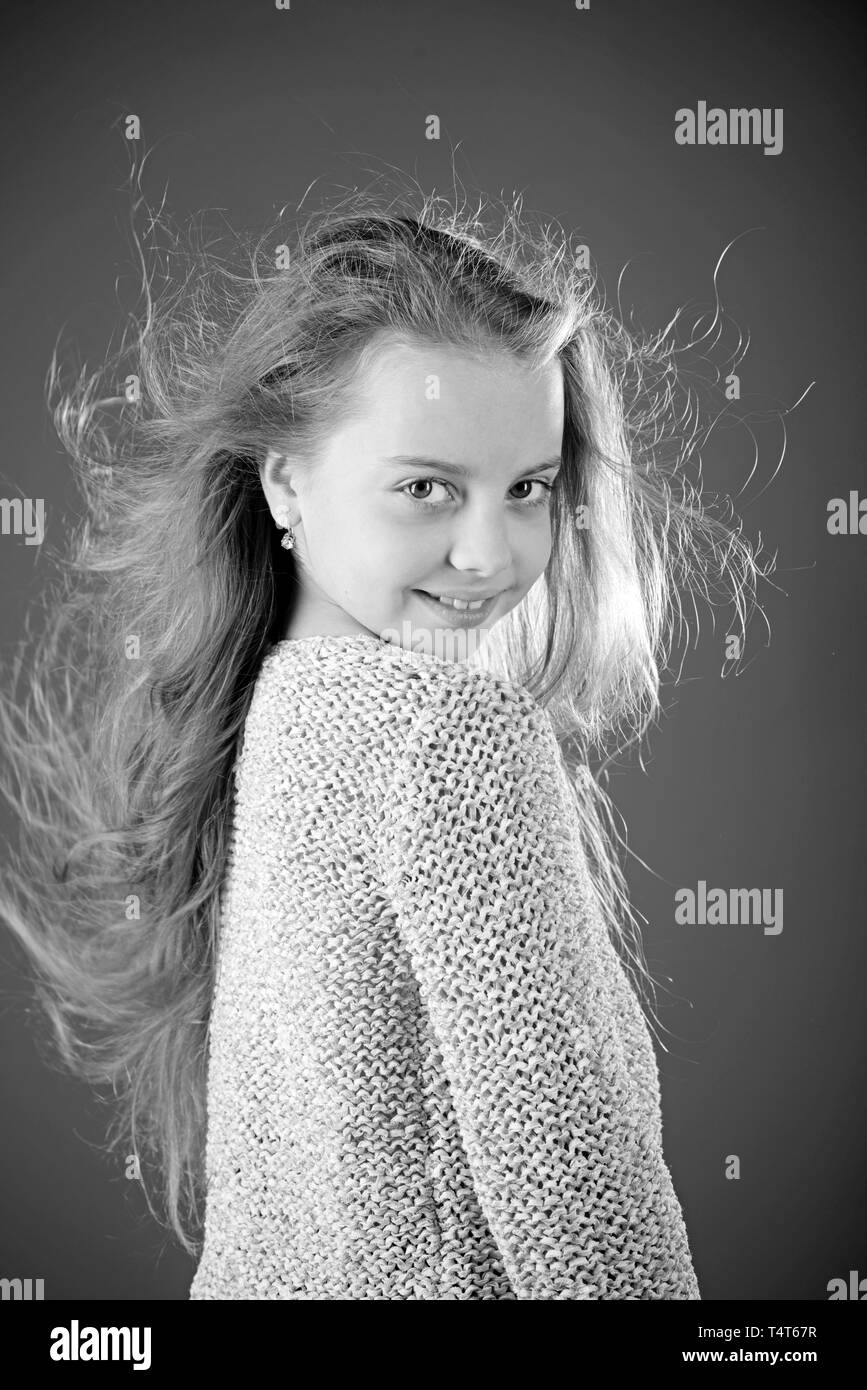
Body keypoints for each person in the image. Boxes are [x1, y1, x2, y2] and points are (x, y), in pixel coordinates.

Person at [0, 185, 765, 1299]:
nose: (489, 552)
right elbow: (589, 1213)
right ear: (284, 481)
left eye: (530, 489)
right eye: (425, 488)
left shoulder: (264, 719)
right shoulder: (447, 742)